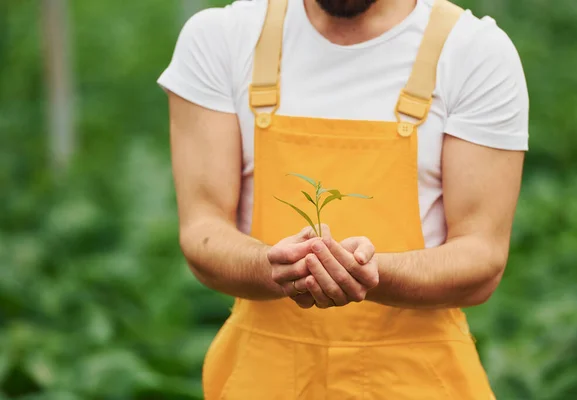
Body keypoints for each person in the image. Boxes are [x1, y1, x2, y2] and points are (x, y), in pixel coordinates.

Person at [157, 0, 528, 398]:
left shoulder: (472, 51)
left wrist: (371, 273)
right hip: (265, 380)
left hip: (415, 382)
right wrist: (271, 267)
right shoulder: (221, 40)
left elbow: (481, 257)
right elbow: (203, 230)